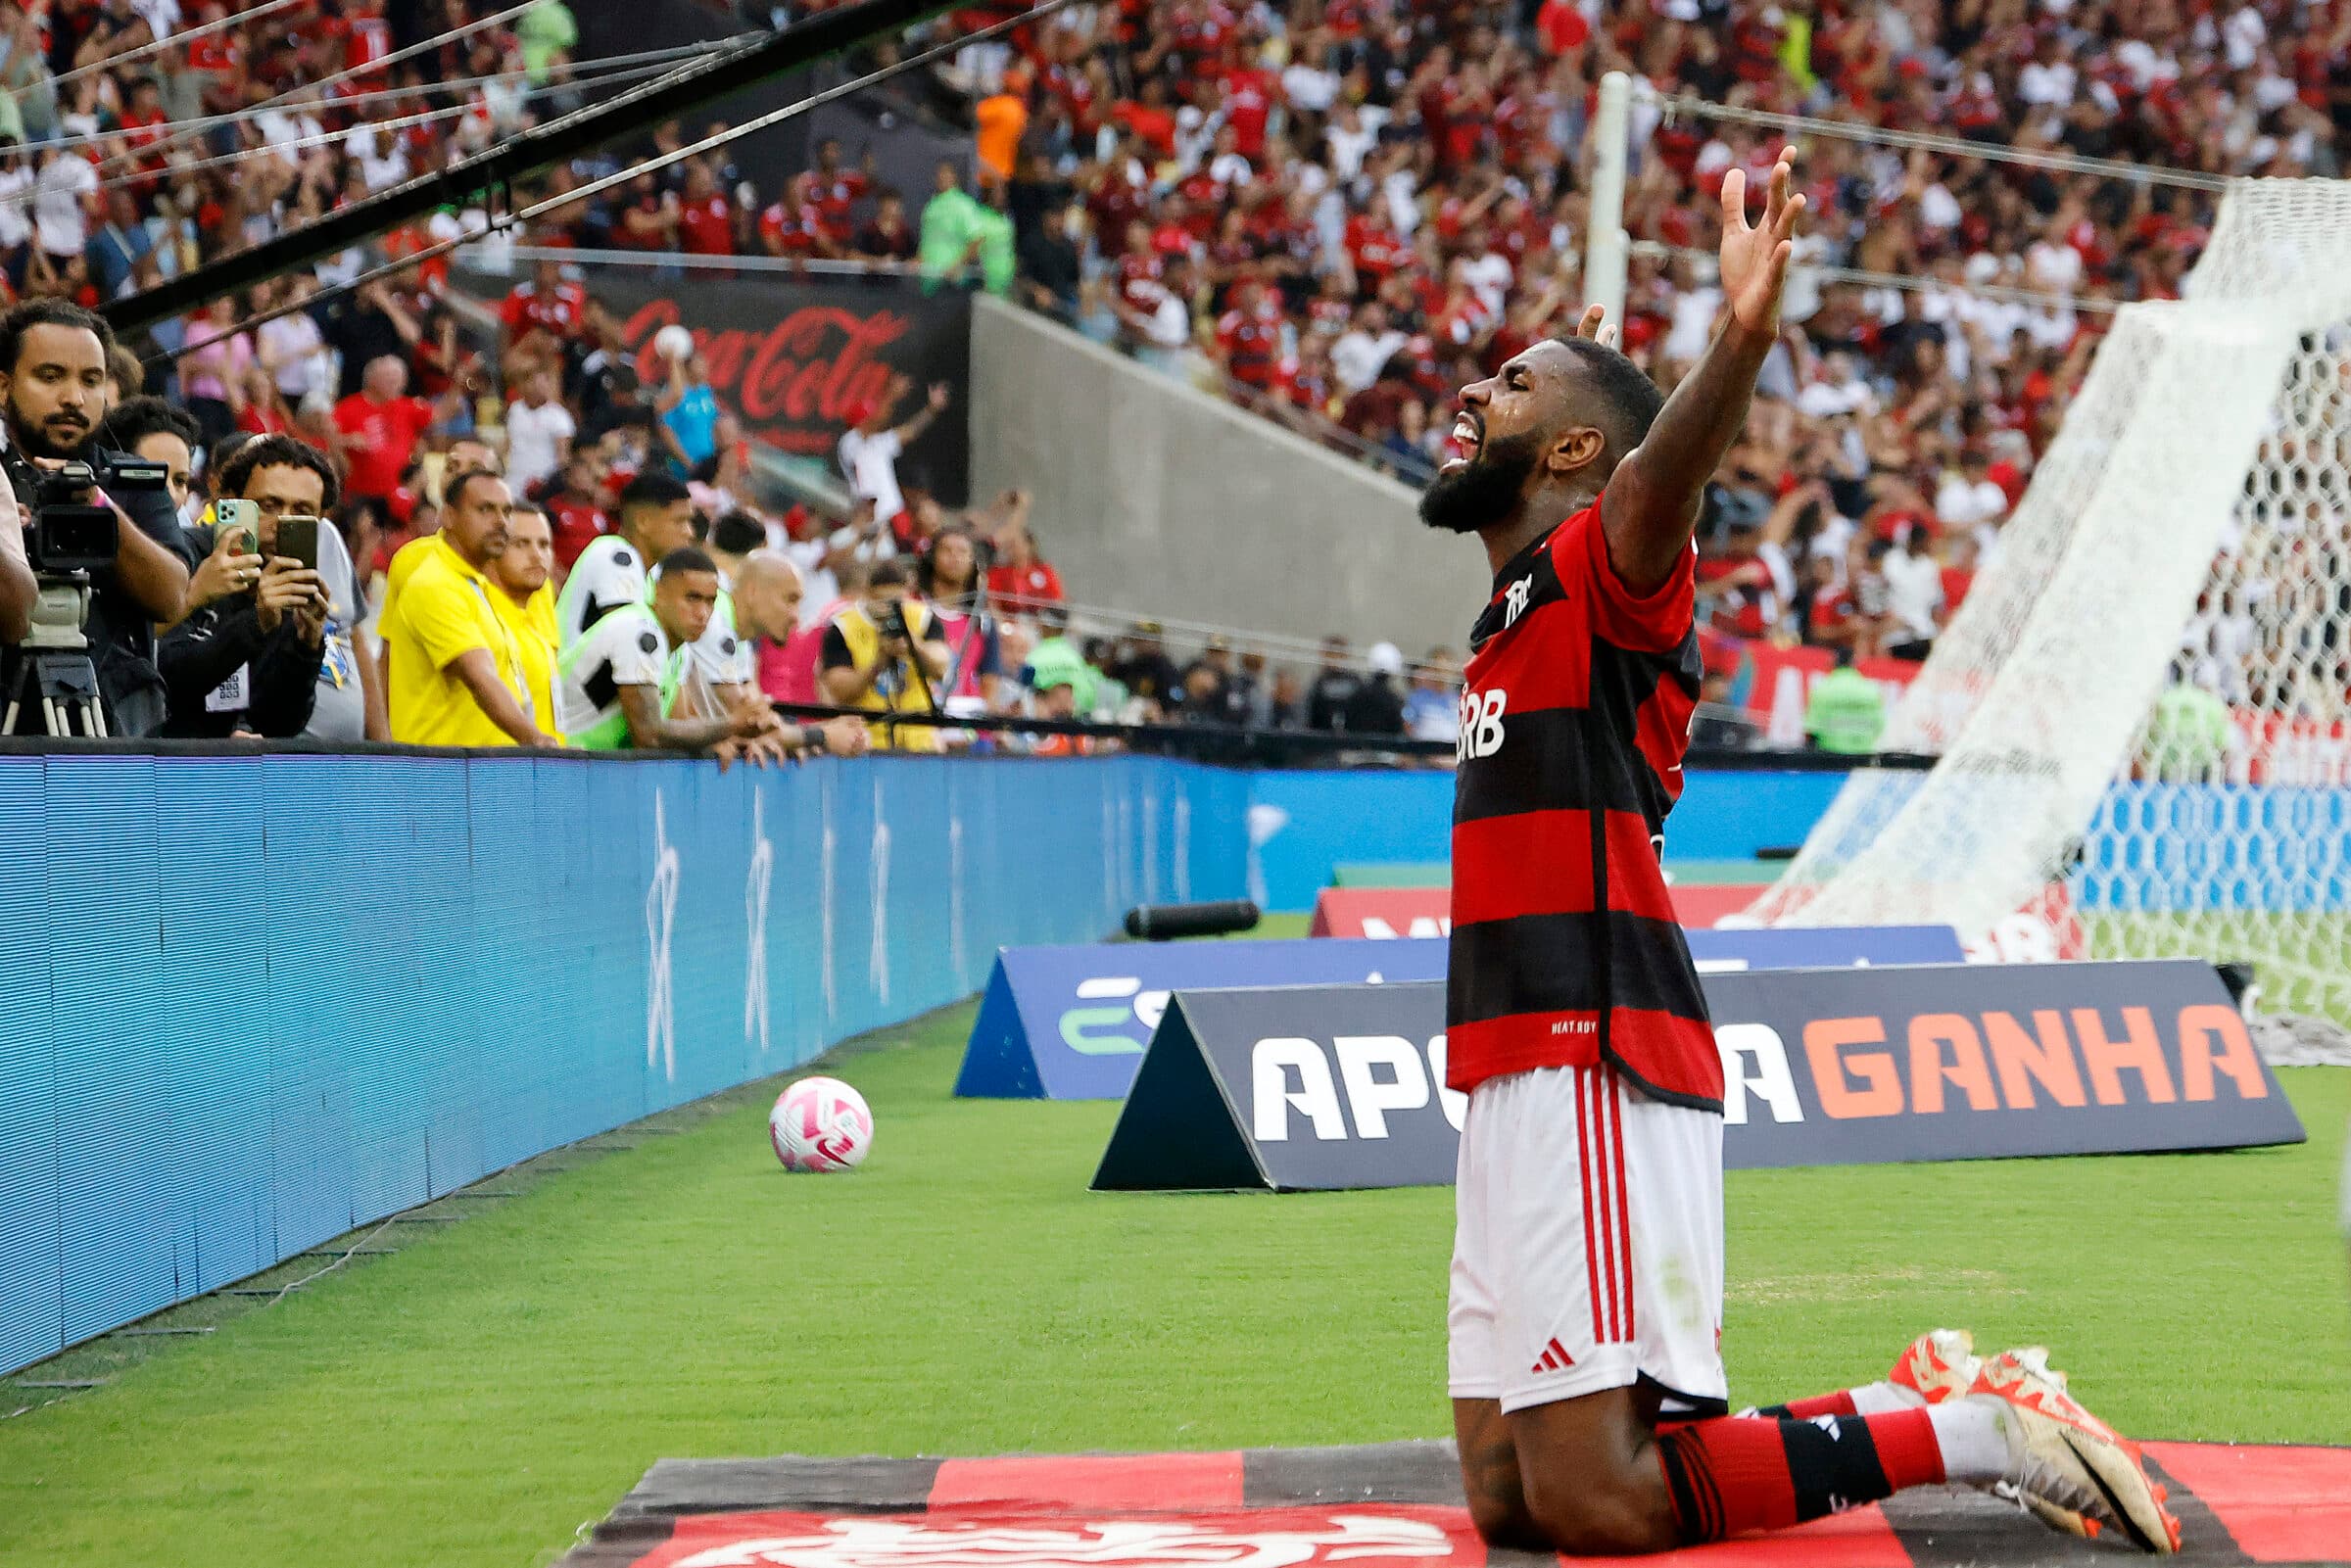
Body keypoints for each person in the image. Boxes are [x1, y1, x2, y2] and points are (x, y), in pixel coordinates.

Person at [1416, 154, 2178, 1558]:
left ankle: (1976, 1426)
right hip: (1509, 1066)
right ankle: (1920, 1396)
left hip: (1596, 1052)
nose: (1475, 392)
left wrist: (1741, 337)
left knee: (1601, 1495)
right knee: (1512, 1495)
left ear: (1577, 454)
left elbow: (1662, 483)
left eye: (1514, 385)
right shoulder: (1518, 606)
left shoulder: (1605, 567)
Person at [0, 300, 194, 736]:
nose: (73, 397)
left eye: (91, 380)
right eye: (50, 376)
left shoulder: (132, 482)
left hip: (114, 728)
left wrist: (95, 504)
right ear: (3, 387)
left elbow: (170, 596)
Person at [200, 432, 382, 742]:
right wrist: (256, 621)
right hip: (245, 760)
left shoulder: (326, 539)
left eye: (302, 511)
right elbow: (180, 677)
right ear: (230, 499)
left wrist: (307, 647)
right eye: (269, 505)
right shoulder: (202, 558)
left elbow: (353, 637)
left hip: (343, 756)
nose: (284, 521)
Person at [377, 468, 552, 748]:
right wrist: (537, 741)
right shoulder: (436, 584)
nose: (501, 522)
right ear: (448, 516)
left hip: (480, 769)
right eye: (485, 509)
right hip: (444, 771)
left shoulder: (473, 584)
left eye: (506, 512)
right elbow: (480, 678)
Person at [555, 546, 774, 754]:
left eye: (710, 601)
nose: (703, 613)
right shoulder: (638, 632)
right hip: (561, 760)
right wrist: (733, 724)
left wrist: (728, 740)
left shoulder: (680, 650)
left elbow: (680, 724)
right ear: (659, 592)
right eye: (692, 598)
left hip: (593, 766)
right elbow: (649, 735)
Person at [820, 556, 950, 751]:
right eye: (881, 600)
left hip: (920, 741)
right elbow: (840, 691)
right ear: (867, 593)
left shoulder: (923, 618)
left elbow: (941, 667)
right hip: (866, 742)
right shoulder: (843, 627)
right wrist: (878, 663)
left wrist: (914, 646)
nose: (889, 609)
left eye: (896, 602)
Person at [555, 472, 698, 649]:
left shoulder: (653, 576)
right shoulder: (612, 553)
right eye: (680, 521)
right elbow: (630, 642)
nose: (689, 532)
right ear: (643, 522)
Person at [486, 502, 560, 739]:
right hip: (499, 761)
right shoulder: (480, 614)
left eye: (544, 545)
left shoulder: (539, 602)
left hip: (546, 759)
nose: (537, 555)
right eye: (521, 544)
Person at [838, 377, 949, 528]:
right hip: (870, 516)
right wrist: (891, 395)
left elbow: (910, 431)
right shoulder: (849, 441)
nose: (881, 416)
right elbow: (876, 421)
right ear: (862, 422)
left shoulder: (877, 441)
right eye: (872, 415)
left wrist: (931, 410)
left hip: (894, 514)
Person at [503, 365, 574, 496]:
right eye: (533, 382)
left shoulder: (559, 416)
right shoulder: (515, 409)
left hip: (542, 486)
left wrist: (553, 484)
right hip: (513, 481)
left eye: (542, 383)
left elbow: (563, 456)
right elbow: (507, 444)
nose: (538, 388)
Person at [1803, 644, 1886, 755]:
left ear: (1833, 662)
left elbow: (1812, 729)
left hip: (1831, 758)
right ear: (1854, 662)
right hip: (1864, 757)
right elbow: (1880, 726)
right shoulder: (1871, 690)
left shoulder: (1823, 689)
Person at [1342, 641, 1409, 736]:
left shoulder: (1356, 694)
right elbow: (1397, 729)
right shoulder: (1394, 699)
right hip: (1385, 744)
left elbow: (1347, 723)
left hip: (1356, 743)